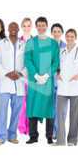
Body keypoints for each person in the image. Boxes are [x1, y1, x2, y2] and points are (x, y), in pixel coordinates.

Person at [24, 17, 60, 145]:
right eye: (38, 25)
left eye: (43, 25)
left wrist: (46, 75)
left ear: (46, 26)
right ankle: (33, 136)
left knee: (48, 109)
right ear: (36, 27)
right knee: (32, 107)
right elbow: (27, 59)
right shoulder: (31, 42)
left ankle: (49, 136)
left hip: (47, 82)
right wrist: (35, 75)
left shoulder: (53, 44)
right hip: (34, 82)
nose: (41, 27)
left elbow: (56, 61)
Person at [55, 29, 78, 146]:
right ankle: (60, 141)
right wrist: (57, 74)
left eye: (72, 36)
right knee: (59, 115)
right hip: (62, 88)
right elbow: (56, 66)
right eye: (68, 36)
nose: (69, 38)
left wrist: (77, 76)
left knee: (74, 116)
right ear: (65, 37)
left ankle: (72, 140)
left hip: (75, 88)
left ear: (75, 37)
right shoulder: (61, 51)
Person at [0, 22, 26, 145]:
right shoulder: (1, 44)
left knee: (16, 112)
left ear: (18, 29)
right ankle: (1, 137)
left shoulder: (24, 44)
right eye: (11, 27)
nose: (13, 29)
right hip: (5, 82)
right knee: (2, 111)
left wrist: (20, 73)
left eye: (15, 27)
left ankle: (12, 135)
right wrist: (7, 74)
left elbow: (27, 63)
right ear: (7, 29)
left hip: (19, 82)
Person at [50, 23, 66, 139]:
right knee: (51, 108)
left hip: (62, 82)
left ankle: (59, 131)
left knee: (61, 108)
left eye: (58, 31)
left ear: (62, 33)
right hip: (49, 81)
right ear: (51, 33)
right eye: (54, 31)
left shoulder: (66, 47)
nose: (56, 33)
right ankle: (52, 132)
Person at [18, 17, 33, 135]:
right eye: (25, 25)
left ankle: (30, 128)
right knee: (22, 102)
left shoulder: (36, 41)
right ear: (21, 27)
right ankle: (22, 127)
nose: (27, 28)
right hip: (20, 76)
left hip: (32, 76)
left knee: (31, 102)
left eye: (29, 25)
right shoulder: (18, 41)